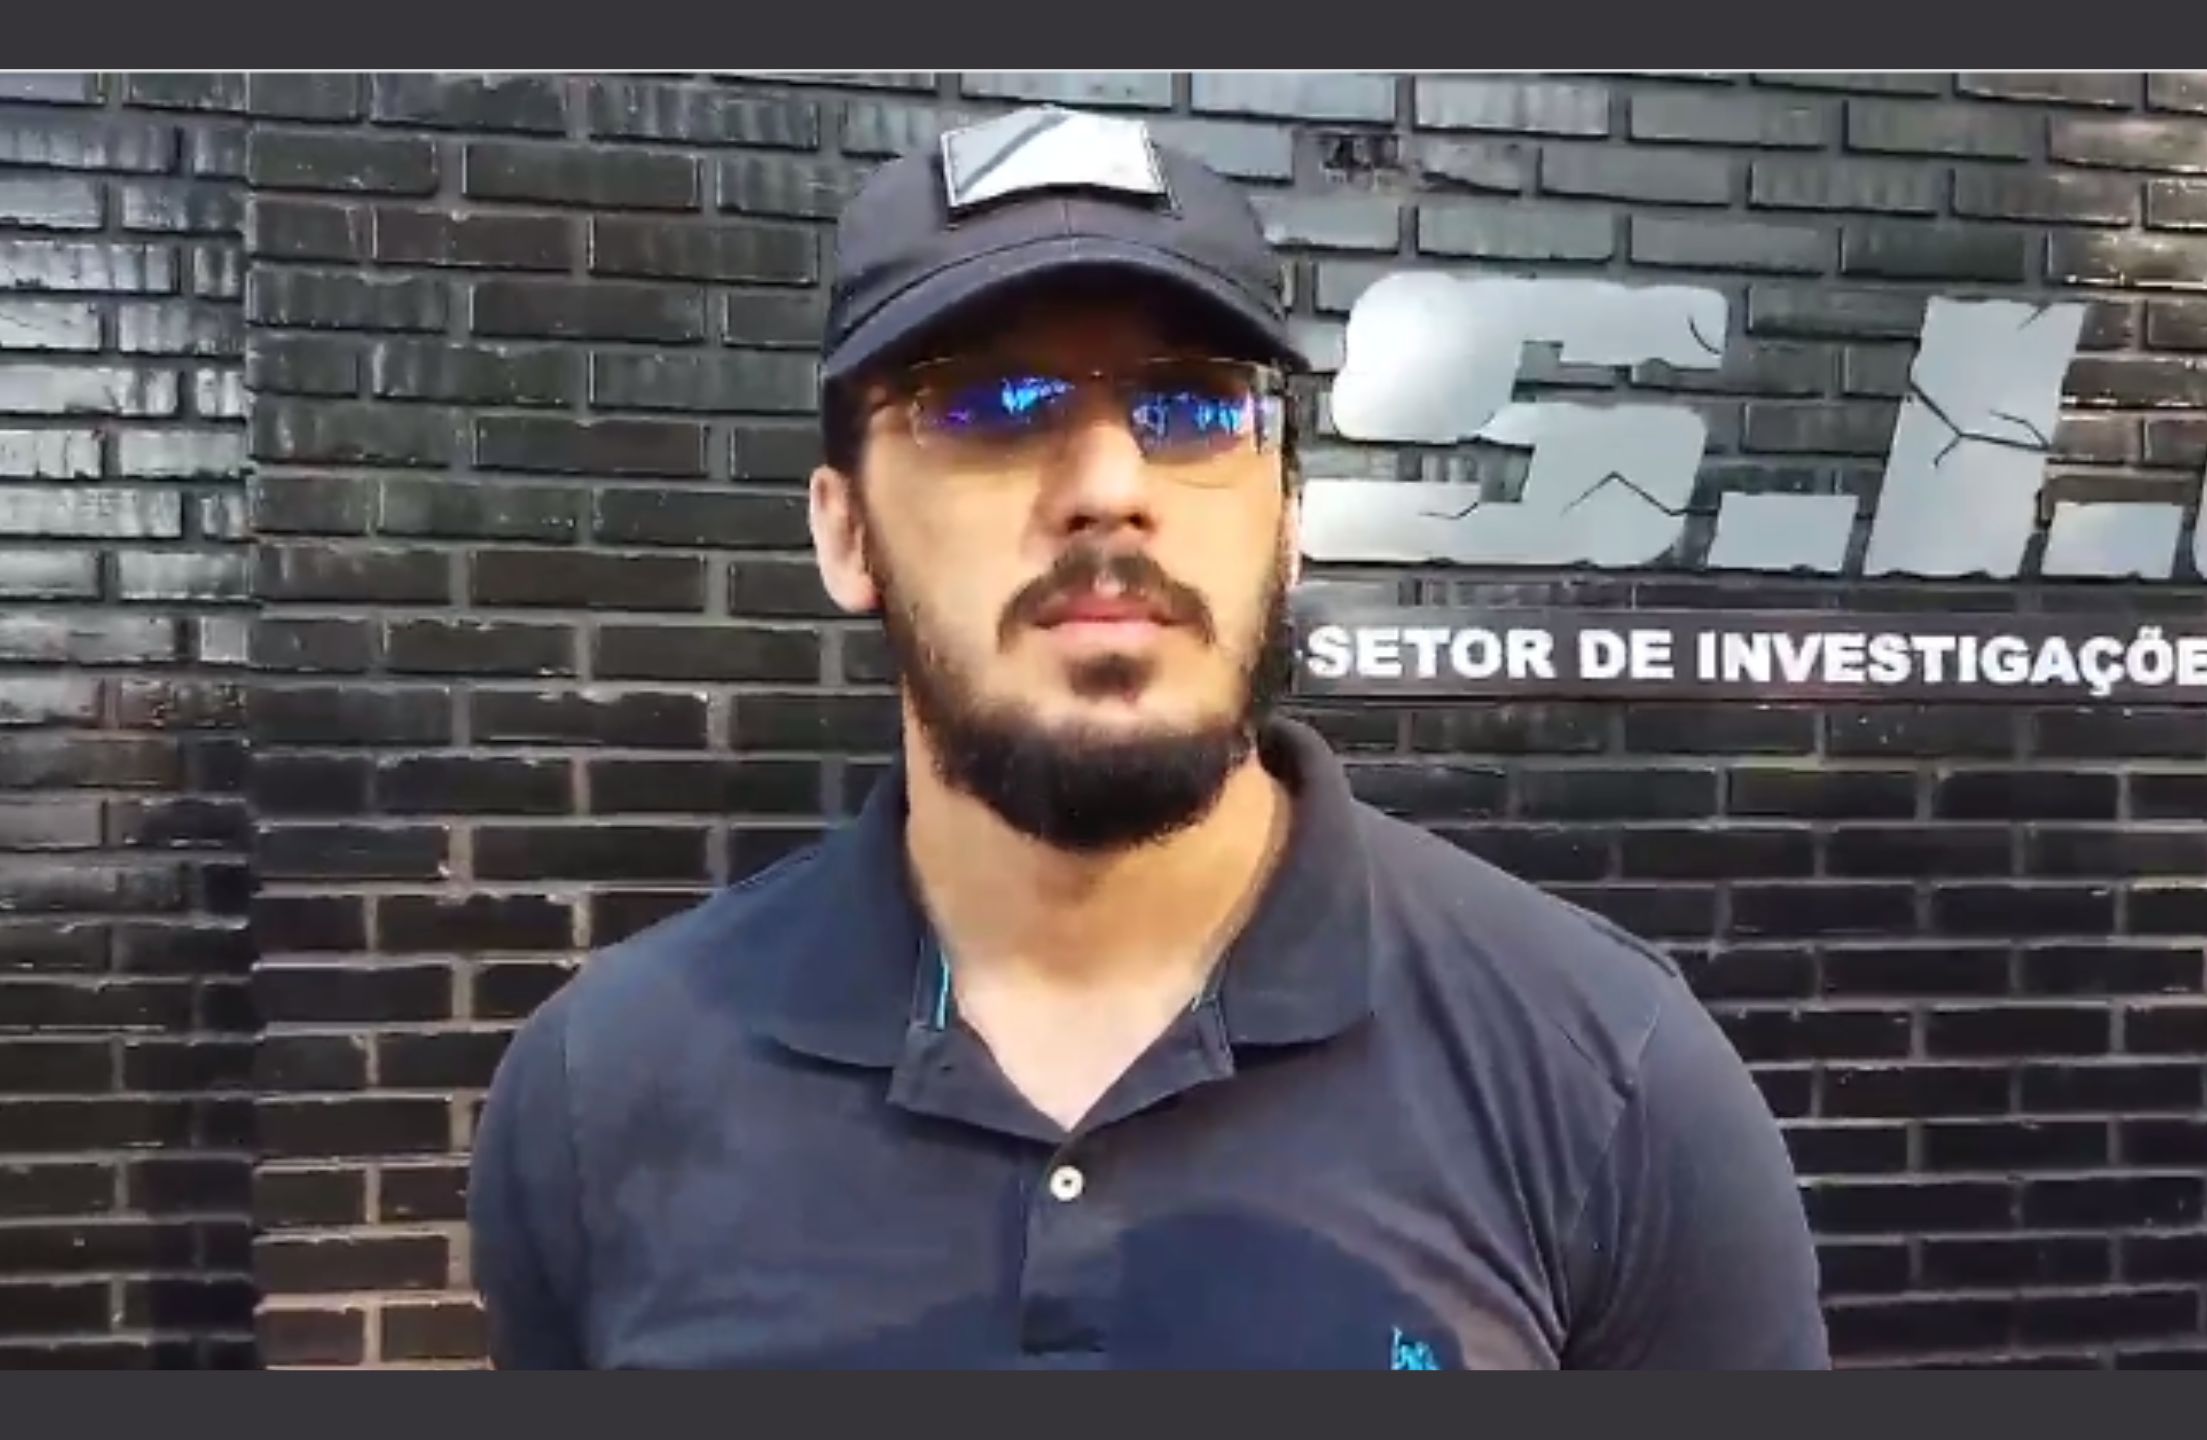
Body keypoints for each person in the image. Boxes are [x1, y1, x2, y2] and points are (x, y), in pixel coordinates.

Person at [467, 103, 1828, 1371]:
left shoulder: (1610, 1085)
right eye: (985, 406)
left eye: (1192, 409)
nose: (1110, 487)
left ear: (1287, 521)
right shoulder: (601, 1093)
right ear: (844, 532)